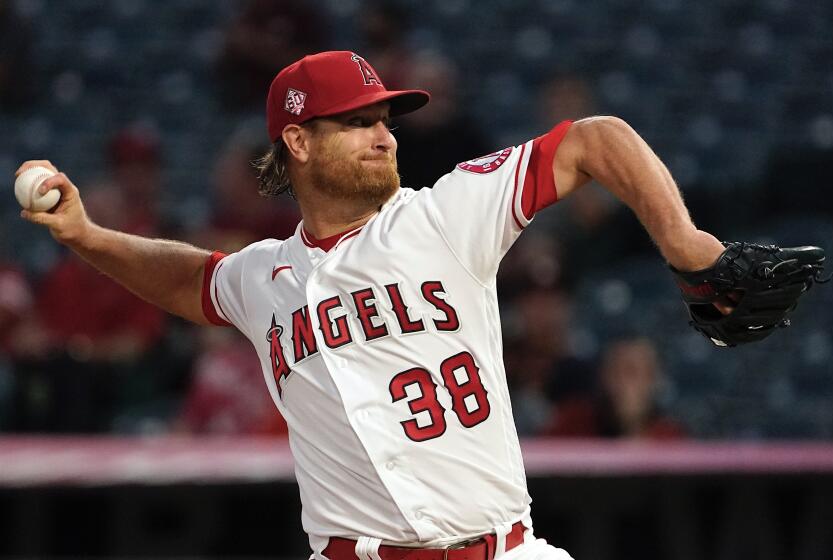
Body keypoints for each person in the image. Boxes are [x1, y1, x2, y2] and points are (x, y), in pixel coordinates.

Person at [17, 51, 728, 559]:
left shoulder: (445, 215)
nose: (386, 134)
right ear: (297, 140)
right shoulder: (266, 277)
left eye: (385, 118)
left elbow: (591, 140)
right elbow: (192, 281)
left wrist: (688, 243)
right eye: (358, 122)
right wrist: (87, 235)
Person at [543, 336, 684, 439]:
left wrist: (632, 428)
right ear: (603, 378)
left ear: (653, 380)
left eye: (632, 372)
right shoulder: (574, 424)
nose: (623, 383)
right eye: (615, 372)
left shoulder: (670, 437)